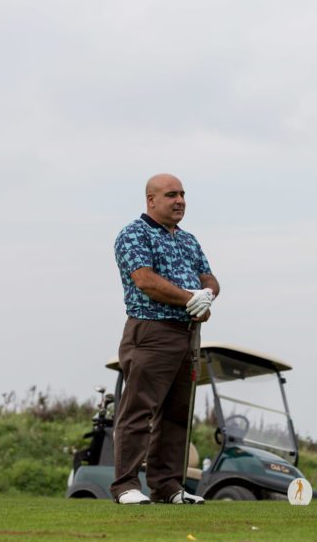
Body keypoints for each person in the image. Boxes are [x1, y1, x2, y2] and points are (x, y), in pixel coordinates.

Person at [110, 174, 219, 505]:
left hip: (187, 335)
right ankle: (126, 485)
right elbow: (145, 280)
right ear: (151, 199)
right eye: (171, 194)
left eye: (183, 194)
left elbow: (209, 278)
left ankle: (168, 486)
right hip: (151, 332)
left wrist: (207, 297)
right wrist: (190, 298)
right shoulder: (133, 234)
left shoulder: (188, 240)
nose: (180, 200)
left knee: (177, 414)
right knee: (139, 410)